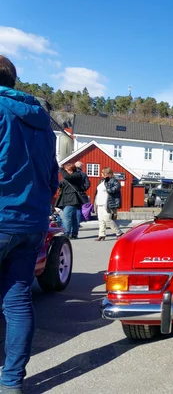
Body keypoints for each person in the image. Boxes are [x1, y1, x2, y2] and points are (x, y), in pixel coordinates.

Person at [0, 55, 59, 393]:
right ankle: (11, 383)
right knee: (18, 301)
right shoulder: (43, 124)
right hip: (31, 223)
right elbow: (53, 178)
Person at [56, 163, 86, 239]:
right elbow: (63, 183)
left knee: (66, 217)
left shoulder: (76, 175)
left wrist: (61, 168)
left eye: (66, 170)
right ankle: (74, 233)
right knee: (73, 218)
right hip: (66, 199)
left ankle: (66, 233)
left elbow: (66, 176)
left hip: (72, 199)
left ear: (70, 170)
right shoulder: (68, 177)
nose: (64, 172)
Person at [94, 167, 124, 240]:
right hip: (99, 202)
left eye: (104, 173)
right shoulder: (101, 181)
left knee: (107, 219)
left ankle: (119, 232)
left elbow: (117, 187)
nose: (102, 174)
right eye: (102, 173)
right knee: (101, 220)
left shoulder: (113, 180)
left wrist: (109, 190)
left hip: (107, 203)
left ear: (109, 174)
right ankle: (101, 234)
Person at [74, 161, 91, 226]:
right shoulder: (83, 174)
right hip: (80, 194)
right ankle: (77, 224)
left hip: (70, 194)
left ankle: (69, 227)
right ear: (81, 167)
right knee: (78, 209)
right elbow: (88, 184)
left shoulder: (71, 173)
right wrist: (83, 189)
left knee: (70, 209)